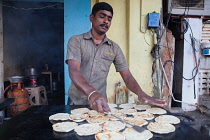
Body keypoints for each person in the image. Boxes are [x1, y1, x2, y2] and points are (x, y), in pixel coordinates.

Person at [66, 2, 166, 113]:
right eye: (102, 16)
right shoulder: (76, 41)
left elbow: (127, 77)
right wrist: (92, 93)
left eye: (109, 19)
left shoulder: (114, 48)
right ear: (92, 18)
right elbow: (74, 71)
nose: (106, 21)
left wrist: (141, 94)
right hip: (76, 102)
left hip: (100, 104)